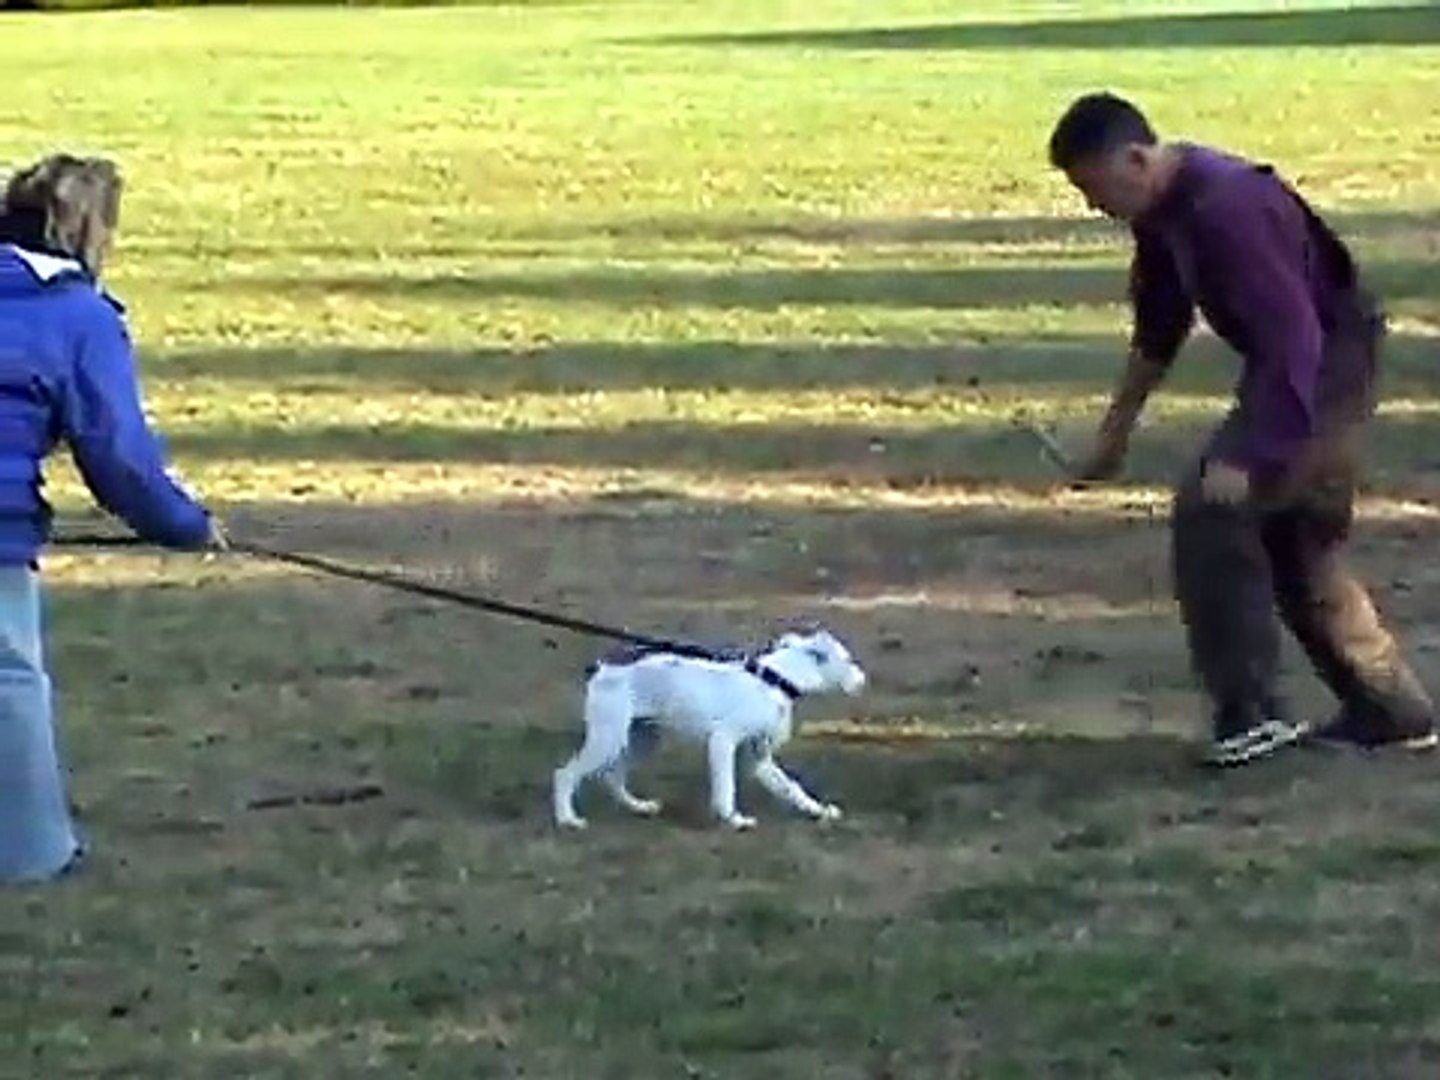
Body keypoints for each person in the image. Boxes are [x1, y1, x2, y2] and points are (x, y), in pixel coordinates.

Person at [1046, 92, 1436, 767]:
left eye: (1092, 187)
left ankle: (1250, 715)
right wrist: (1116, 432)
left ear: (1135, 159)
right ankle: (1391, 712)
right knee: (1297, 539)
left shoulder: (1227, 211)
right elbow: (1160, 325)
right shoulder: (1163, 210)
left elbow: (1295, 342)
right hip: (1304, 362)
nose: (1091, 206)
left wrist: (1252, 452)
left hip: (1324, 367)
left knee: (1214, 507)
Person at [0, 153, 226, 883]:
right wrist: (188, 526)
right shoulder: (77, 317)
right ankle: (32, 854)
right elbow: (120, 461)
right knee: (10, 684)